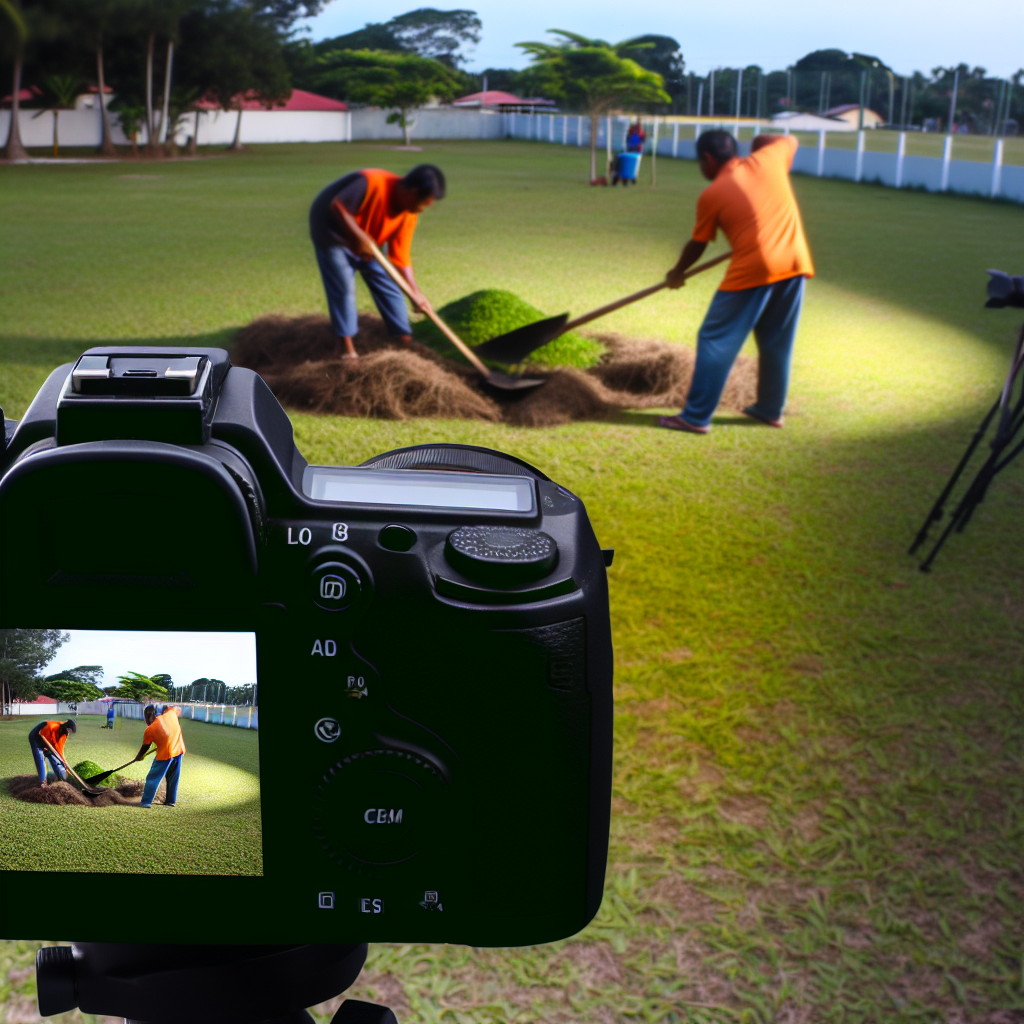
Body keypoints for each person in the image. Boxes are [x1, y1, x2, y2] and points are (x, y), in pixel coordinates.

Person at [659, 130, 814, 434]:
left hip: (753, 270)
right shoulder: (769, 158)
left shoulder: (713, 193)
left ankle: (695, 417)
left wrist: (676, 273)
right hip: (795, 263)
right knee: (776, 343)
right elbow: (789, 138)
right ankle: (770, 410)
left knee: (715, 340)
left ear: (708, 159)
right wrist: (758, 145)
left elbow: (698, 243)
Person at [308, 164, 446, 359]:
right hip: (332, 232)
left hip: (370, 239)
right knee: (343, 287)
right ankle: (346, 349)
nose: (422, 210)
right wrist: (357, 237)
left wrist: (415, 292)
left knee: (387, 282)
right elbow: (338, 206)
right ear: (412, 192)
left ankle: (403, 338)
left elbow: (401, 257)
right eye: (423, 203)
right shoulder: (372, 183)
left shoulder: (409, 215)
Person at [134, 704, 186, 808]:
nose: (146, 722)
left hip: (166, 754)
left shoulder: (150, 729)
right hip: (179, 750)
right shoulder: (171, 714)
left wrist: (138, 756)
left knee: (153, 777)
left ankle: (146, 802)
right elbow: (171, 708)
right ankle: (171, 801)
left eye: (145, 719)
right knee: (172, 778)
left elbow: (145, 746)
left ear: (149, 716)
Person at [28, 719, 76, 786]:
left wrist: (63, 762)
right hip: (36, 737)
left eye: (70, 731)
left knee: (52, 757)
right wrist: (46, 749)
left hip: (48, 739)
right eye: (69, 730)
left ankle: (60, 778)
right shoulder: (52, 726)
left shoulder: (64, 734)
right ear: (65, 727)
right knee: (40, 758)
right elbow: (43, 737)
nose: (69, 732)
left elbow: (60, 749)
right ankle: (43, 782)